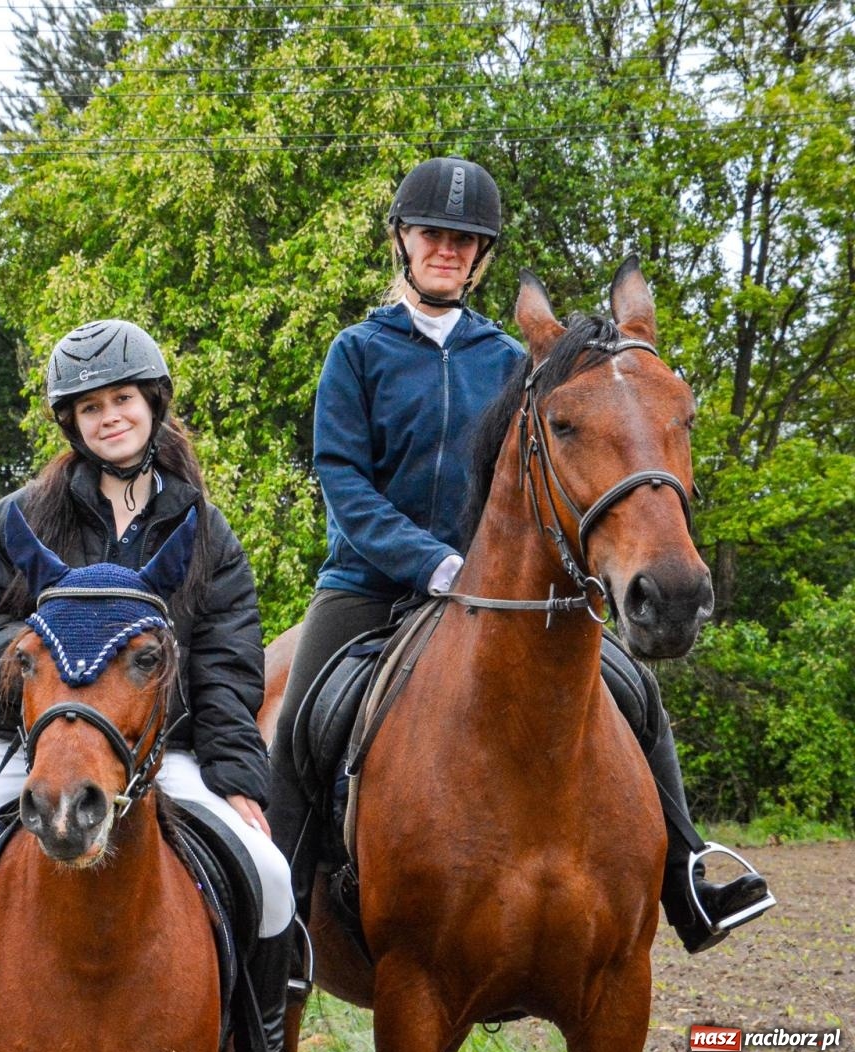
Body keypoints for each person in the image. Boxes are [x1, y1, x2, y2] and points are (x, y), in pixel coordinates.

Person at [265, 157, 773, 965]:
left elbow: (551, 475)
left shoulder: (511, 360)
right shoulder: (355, 352)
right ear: (402, 240)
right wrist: (434, 565)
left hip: (502, 591)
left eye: (465, 241)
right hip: (369, 583)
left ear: (482, 256)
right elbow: (344, 483)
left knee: (638, 693)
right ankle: (282, 925)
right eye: (433, 234)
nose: (448, 250)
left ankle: (689, 879)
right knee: (300, 723)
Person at [0, 320, 294, 1052]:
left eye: (123, 399)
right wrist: (51, 676)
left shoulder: (205, 530)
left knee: (271, 876)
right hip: (27, 744)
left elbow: (228, 662)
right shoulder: (17, 517)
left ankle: (261, 1048)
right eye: (90, 406)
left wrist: (237, 776)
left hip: (163, 752)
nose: (110, 416)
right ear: (71, 422)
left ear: (153, 402)